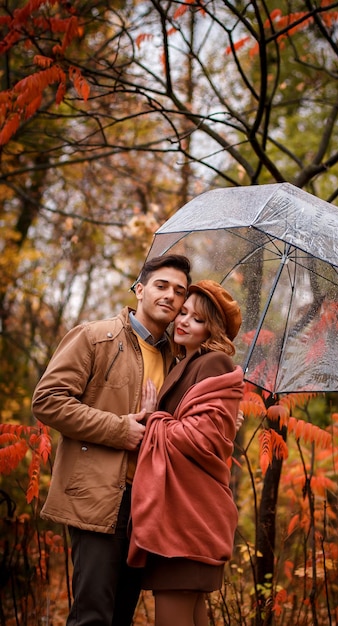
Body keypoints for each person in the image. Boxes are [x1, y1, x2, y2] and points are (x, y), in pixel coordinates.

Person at [31, 254, 192, 626]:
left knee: (121, 616)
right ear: (140, 289)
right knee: (93, 617)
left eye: (180, 291)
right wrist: (120, 429)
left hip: (146, 503)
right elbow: (48, 400)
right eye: (161, 285)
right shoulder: (95, 337)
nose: (170, 296)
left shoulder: (177, 358)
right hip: (98, 496)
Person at [127, 280, 245, 626]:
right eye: (183, 312)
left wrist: (153, 419)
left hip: (186, 518)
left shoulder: (213, 363)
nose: (183, 321)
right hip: (184, 512)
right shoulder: (185, 363)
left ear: (213, 329)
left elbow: (199, 438)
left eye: (197, 319)